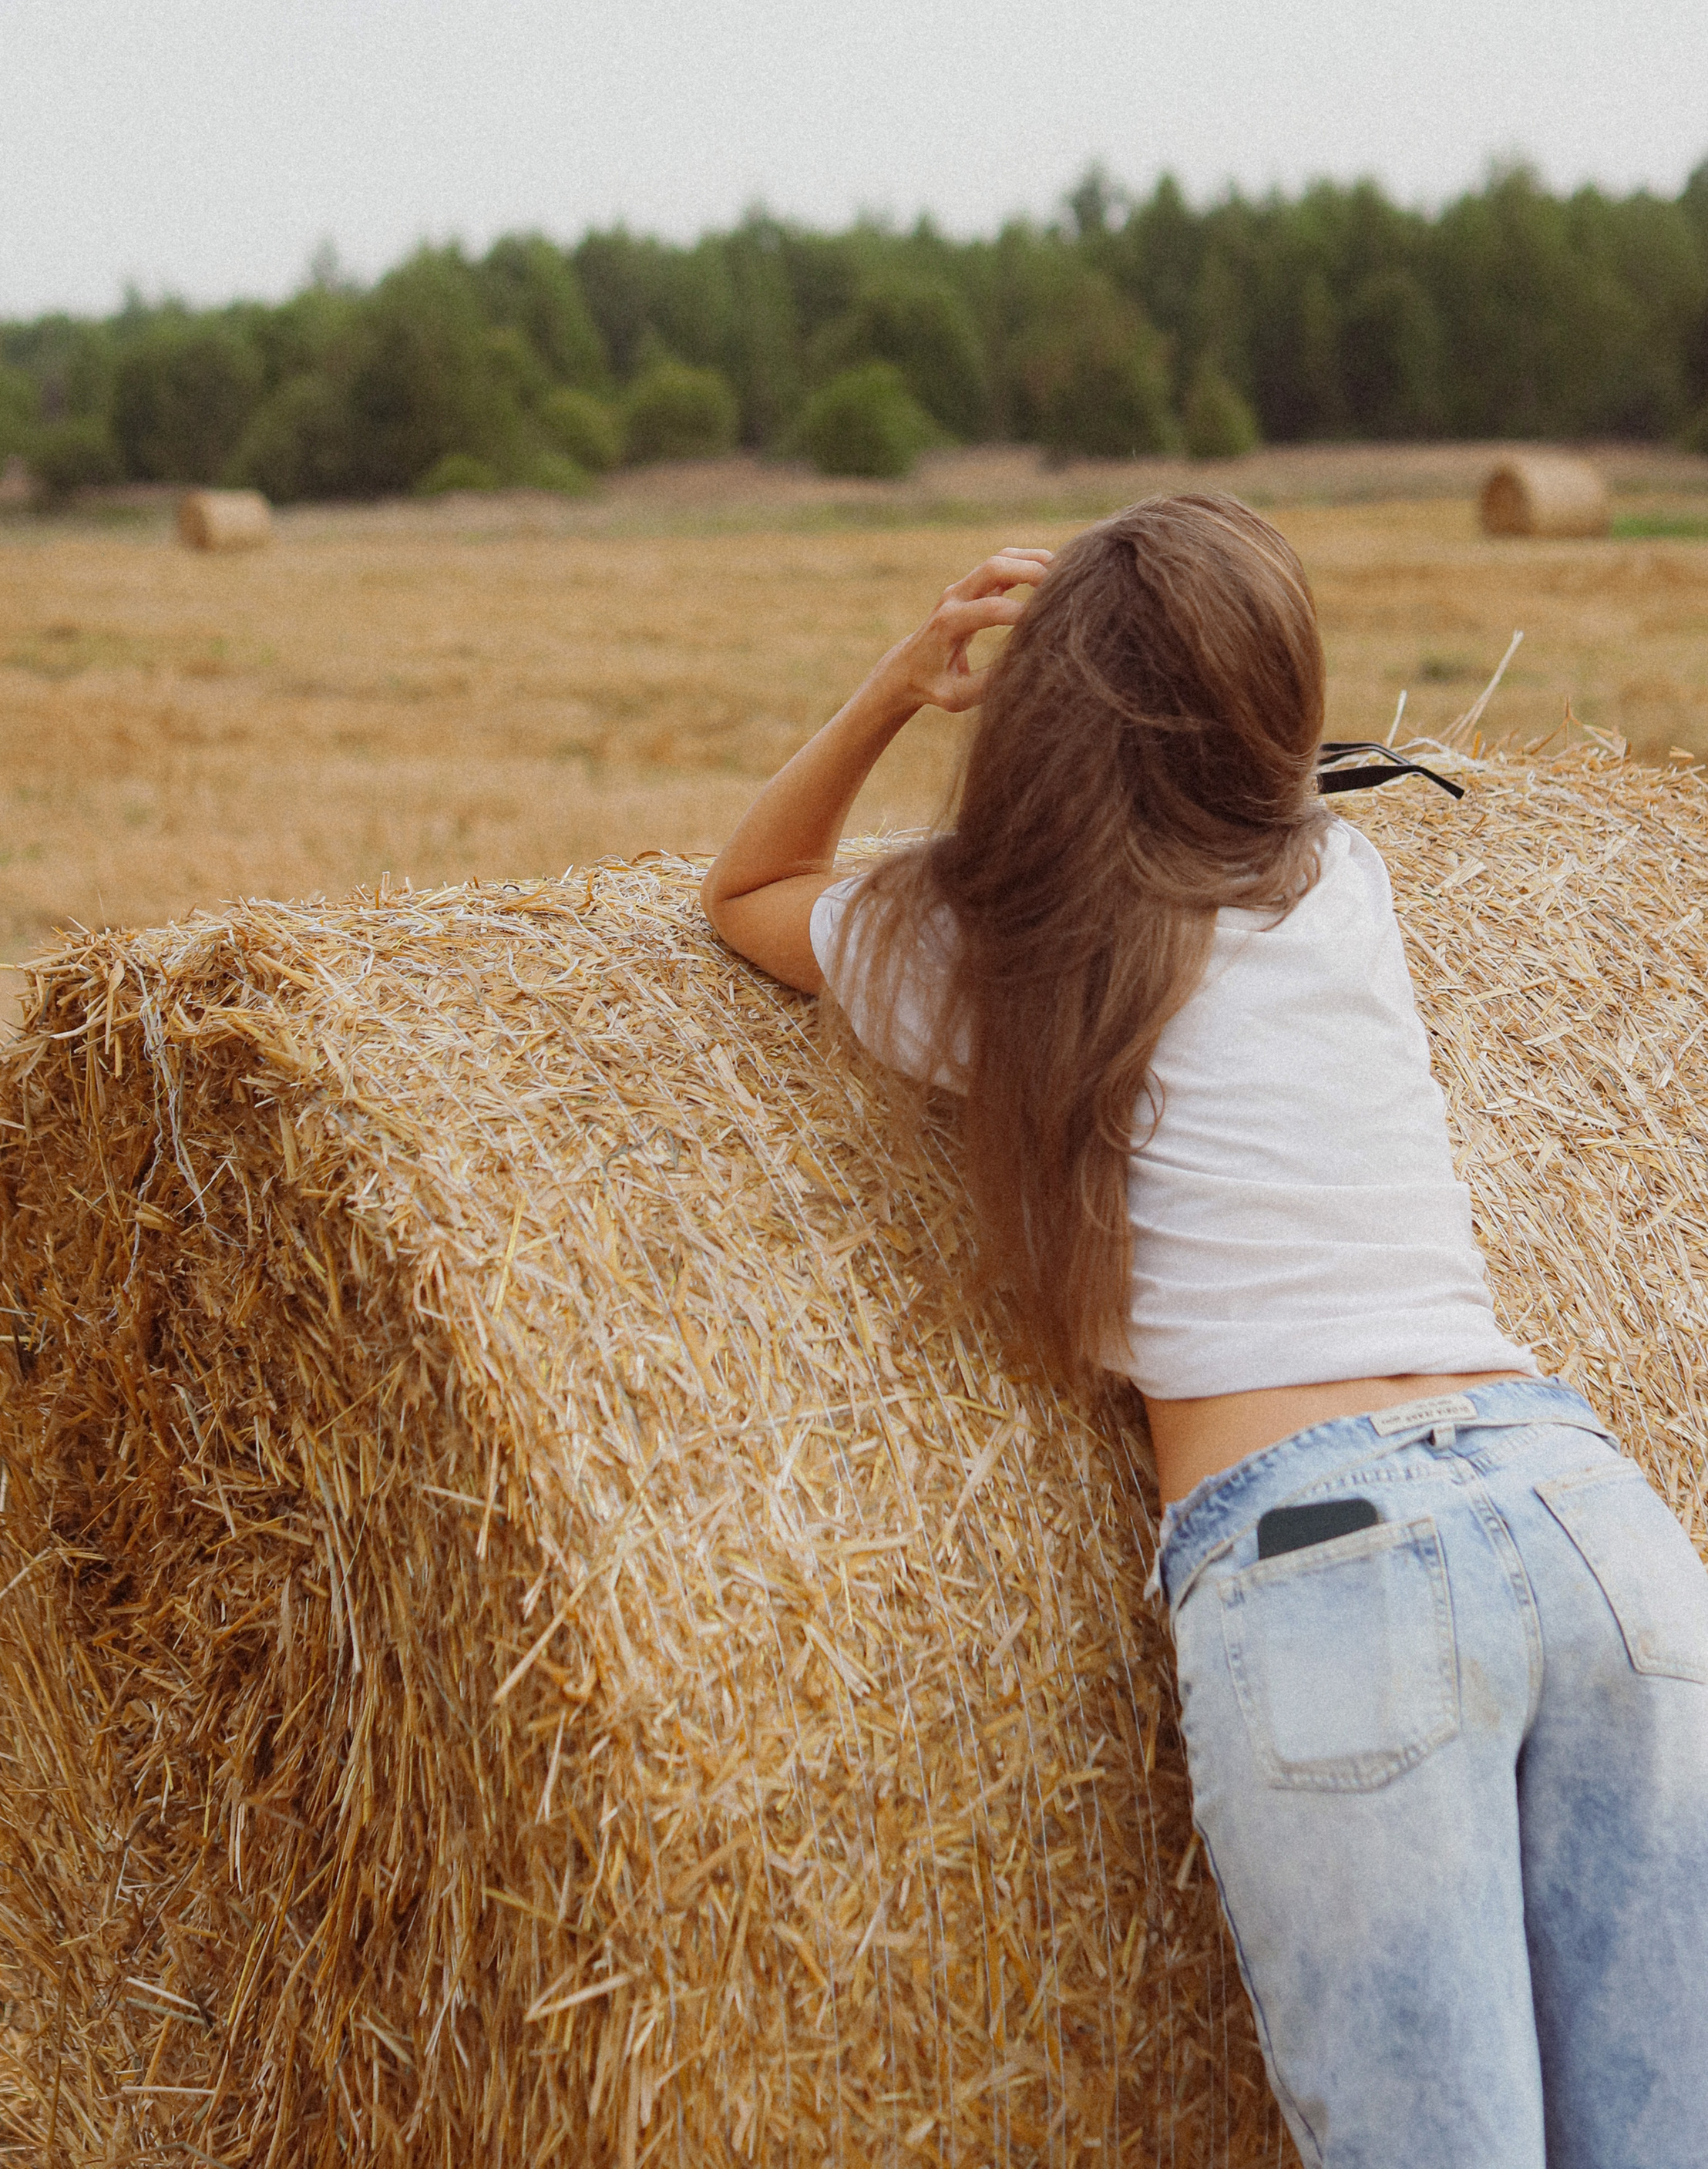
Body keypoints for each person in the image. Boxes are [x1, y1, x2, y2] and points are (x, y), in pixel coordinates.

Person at [700, 493, 1708, 2169]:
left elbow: (748, 886)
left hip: (1330, 1557)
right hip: (1590, 1521)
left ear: (1040, 719)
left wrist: (901, 682)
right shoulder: (1338, 880)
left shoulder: (1000, 954)